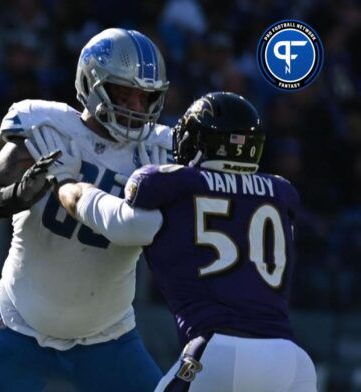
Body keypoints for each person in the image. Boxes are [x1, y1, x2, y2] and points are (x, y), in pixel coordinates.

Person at [49, 92, 318, 391]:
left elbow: (119, 219)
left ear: (196, 141)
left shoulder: (173, 188)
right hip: (292, 359)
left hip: (218, 349)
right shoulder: (280, 193)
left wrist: (68, 186)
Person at [0, 28, 171, 391]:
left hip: (109, 337)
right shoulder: (49, 130)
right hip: (16, 326)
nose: (135, 107)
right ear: (91, 83)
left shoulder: (160, 152)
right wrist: (13, 198)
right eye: (124, 92)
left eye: (145, 97)